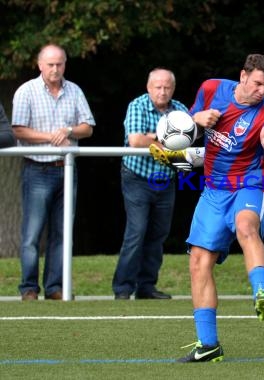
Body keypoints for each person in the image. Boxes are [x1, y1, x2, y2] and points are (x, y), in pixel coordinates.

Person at [149, 54, 264, 362]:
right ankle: (208, 345)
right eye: (257, 84)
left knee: (245, 227)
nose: (262, 91)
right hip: (214, 189)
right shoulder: (211, 89)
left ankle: (261, 294)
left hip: (251, 185)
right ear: (242, 76)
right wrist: (196, 120)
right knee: (198, 262)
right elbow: (190, 126)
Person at [12, 44, 95, 301]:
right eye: (50, 64)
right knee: (32, 234)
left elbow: (88, 127)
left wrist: (68, 131)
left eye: (59, 64)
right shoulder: (26, 91)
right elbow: (18, 130)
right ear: (40, 65)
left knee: (62, 233)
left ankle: (54, 288)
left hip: (67, 169)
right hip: (37, 168)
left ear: (65, 65)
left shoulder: (75, 91)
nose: (55, 69)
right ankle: (28, 289)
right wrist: (51, 137)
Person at [112, 68, 189, 300]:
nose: (162, 92)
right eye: (158, 87)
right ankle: (123, 289)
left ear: (173, 89)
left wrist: (153, 137)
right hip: (137, 177)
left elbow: (188, 141)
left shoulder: (181, 109)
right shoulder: (137, 105)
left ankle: (146, 287)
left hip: (165, 180)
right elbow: (135, 140)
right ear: (149, 87)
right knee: (136, 232)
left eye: (167, 87)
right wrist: (167, 138)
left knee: (158, 235)